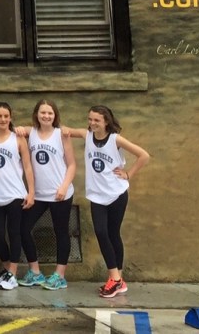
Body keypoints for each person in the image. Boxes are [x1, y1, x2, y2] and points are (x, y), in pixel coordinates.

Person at [65, 105, 149, 298]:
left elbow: (144, 155)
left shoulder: (115, 139)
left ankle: (116, 279)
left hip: (117, 194)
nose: (92, 123)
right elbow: (66, 130)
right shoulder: (87, 136)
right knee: (102, 232)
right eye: (90, 119)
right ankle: (116, 279)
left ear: (106, 122)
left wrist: (129, 174)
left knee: (112, 233)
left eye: (97, 120)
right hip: (97, 195)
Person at [17, 99, 76, 290]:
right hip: (38, 194)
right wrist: (18, 128)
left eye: (50, 113)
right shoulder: (30, 133)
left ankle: (60, 275)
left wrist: (64, 187)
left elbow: (72, 165)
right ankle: (35, 272)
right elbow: (8, 127)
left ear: (55, 115)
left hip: (60, 194)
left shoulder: (62, 134)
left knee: (61, 232)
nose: (46, 116)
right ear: (36, 115)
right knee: (23, 229)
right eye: (43, 112)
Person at [0, 101, 34, 291]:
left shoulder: (18, 139)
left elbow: (28, 166)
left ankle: (13, 274)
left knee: (14, 234)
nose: (3, 119)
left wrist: (31, 192)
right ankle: (6, 268)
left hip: (15, 194)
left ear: (10, 117)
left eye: (6, 116)